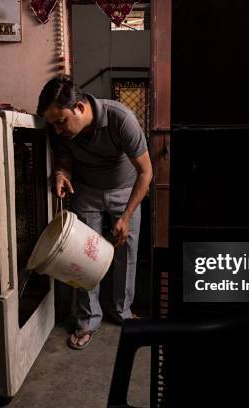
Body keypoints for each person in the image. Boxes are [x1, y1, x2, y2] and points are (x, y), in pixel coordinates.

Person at [37, 75, 152, 350]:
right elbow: (63, 158)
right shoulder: (60, 129)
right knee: (82, 256)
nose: (58, 130)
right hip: (86, 191)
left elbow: (146, 173)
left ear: (79, 107)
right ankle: (89, 320)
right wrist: (61, 173)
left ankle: (122, 312)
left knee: (126, 251)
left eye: (61, 121)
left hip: (126, 190)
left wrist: (126, 216)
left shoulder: (120, 118)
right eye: (52, 124)